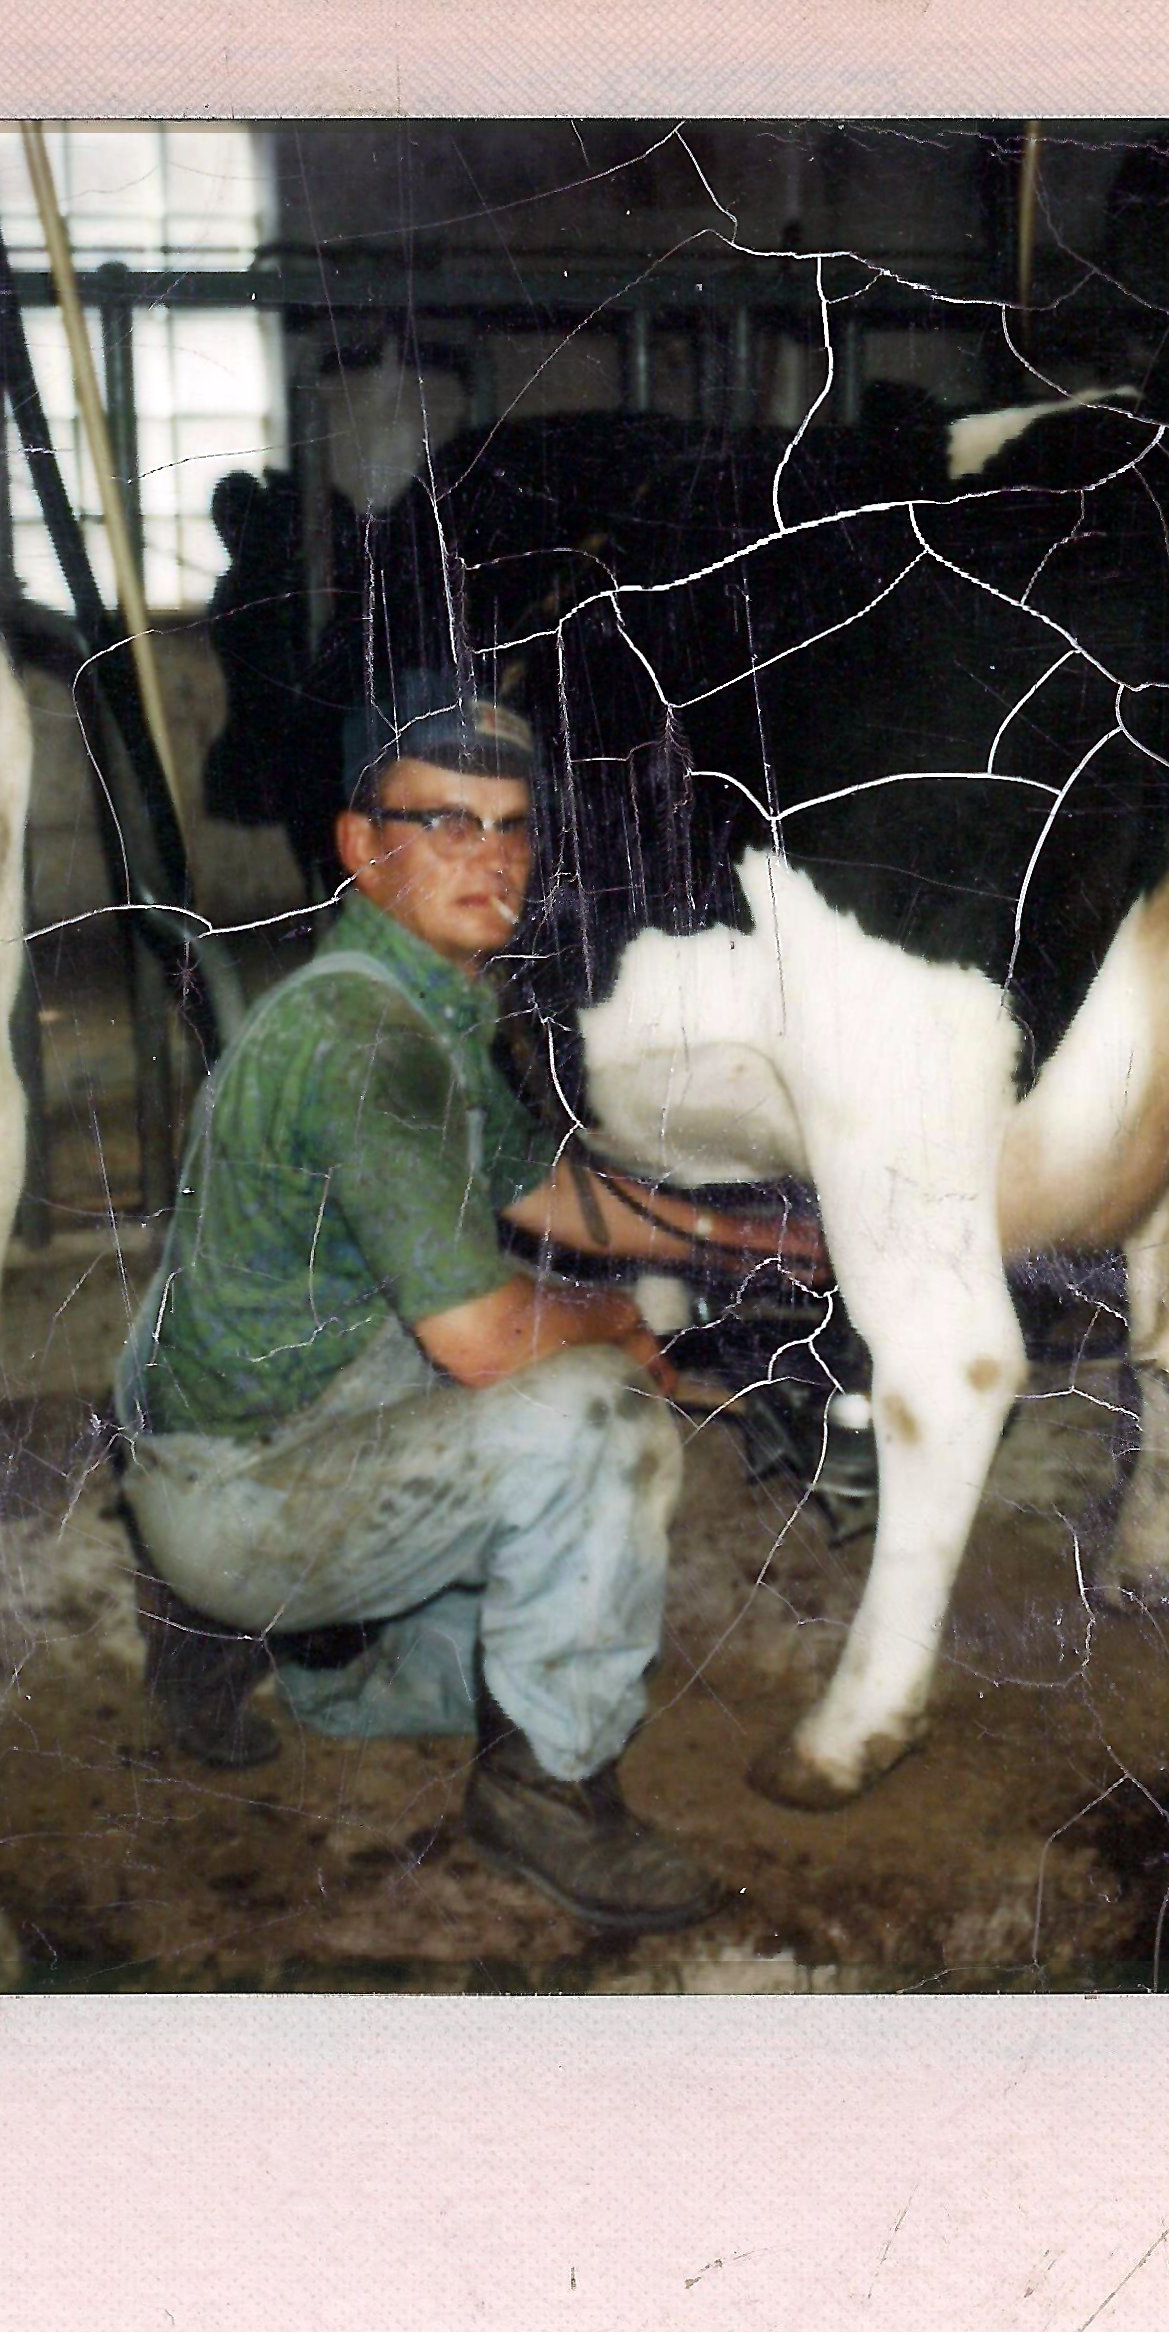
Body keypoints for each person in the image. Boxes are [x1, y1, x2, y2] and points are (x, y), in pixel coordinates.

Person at [115, 672, 824, 1934]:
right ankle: (542, 1794)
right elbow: (490, 1342)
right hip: (251, 1486)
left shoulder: (407, 995)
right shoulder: (368, 1045)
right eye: (445, 821)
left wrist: (747, 1238)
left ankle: (264, 1649)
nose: (489, 856)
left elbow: (541, 1184)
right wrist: (618, 1324)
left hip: (265, 1420)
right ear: (359, 843)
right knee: (599, 1426)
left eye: (509, 826)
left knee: (498, 1658)